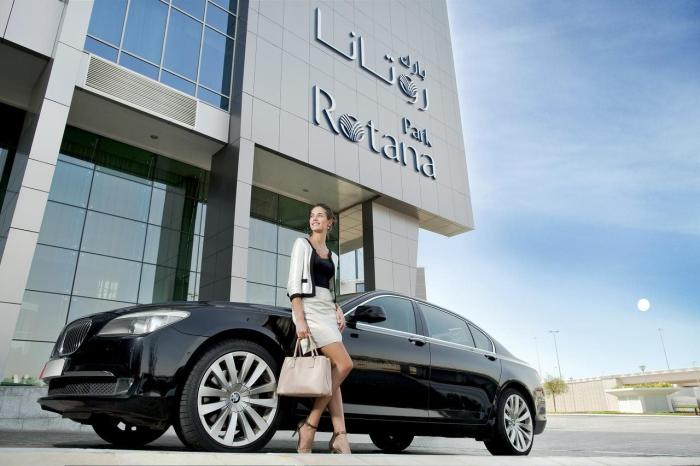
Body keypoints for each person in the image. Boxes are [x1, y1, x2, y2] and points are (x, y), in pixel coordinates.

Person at [286, 203, 353, 454]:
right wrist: (300, 318)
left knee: (333, 373)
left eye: (320, 216)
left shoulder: (333, 256)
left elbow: (330, 288)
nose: (314, 219)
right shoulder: (302, 245)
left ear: (330, 222)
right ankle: (310, 424)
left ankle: (340, 436)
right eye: (312, 216)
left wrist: (337, 308)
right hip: (310, 310)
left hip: (327, 311)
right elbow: (294, 283)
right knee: (344, 365)